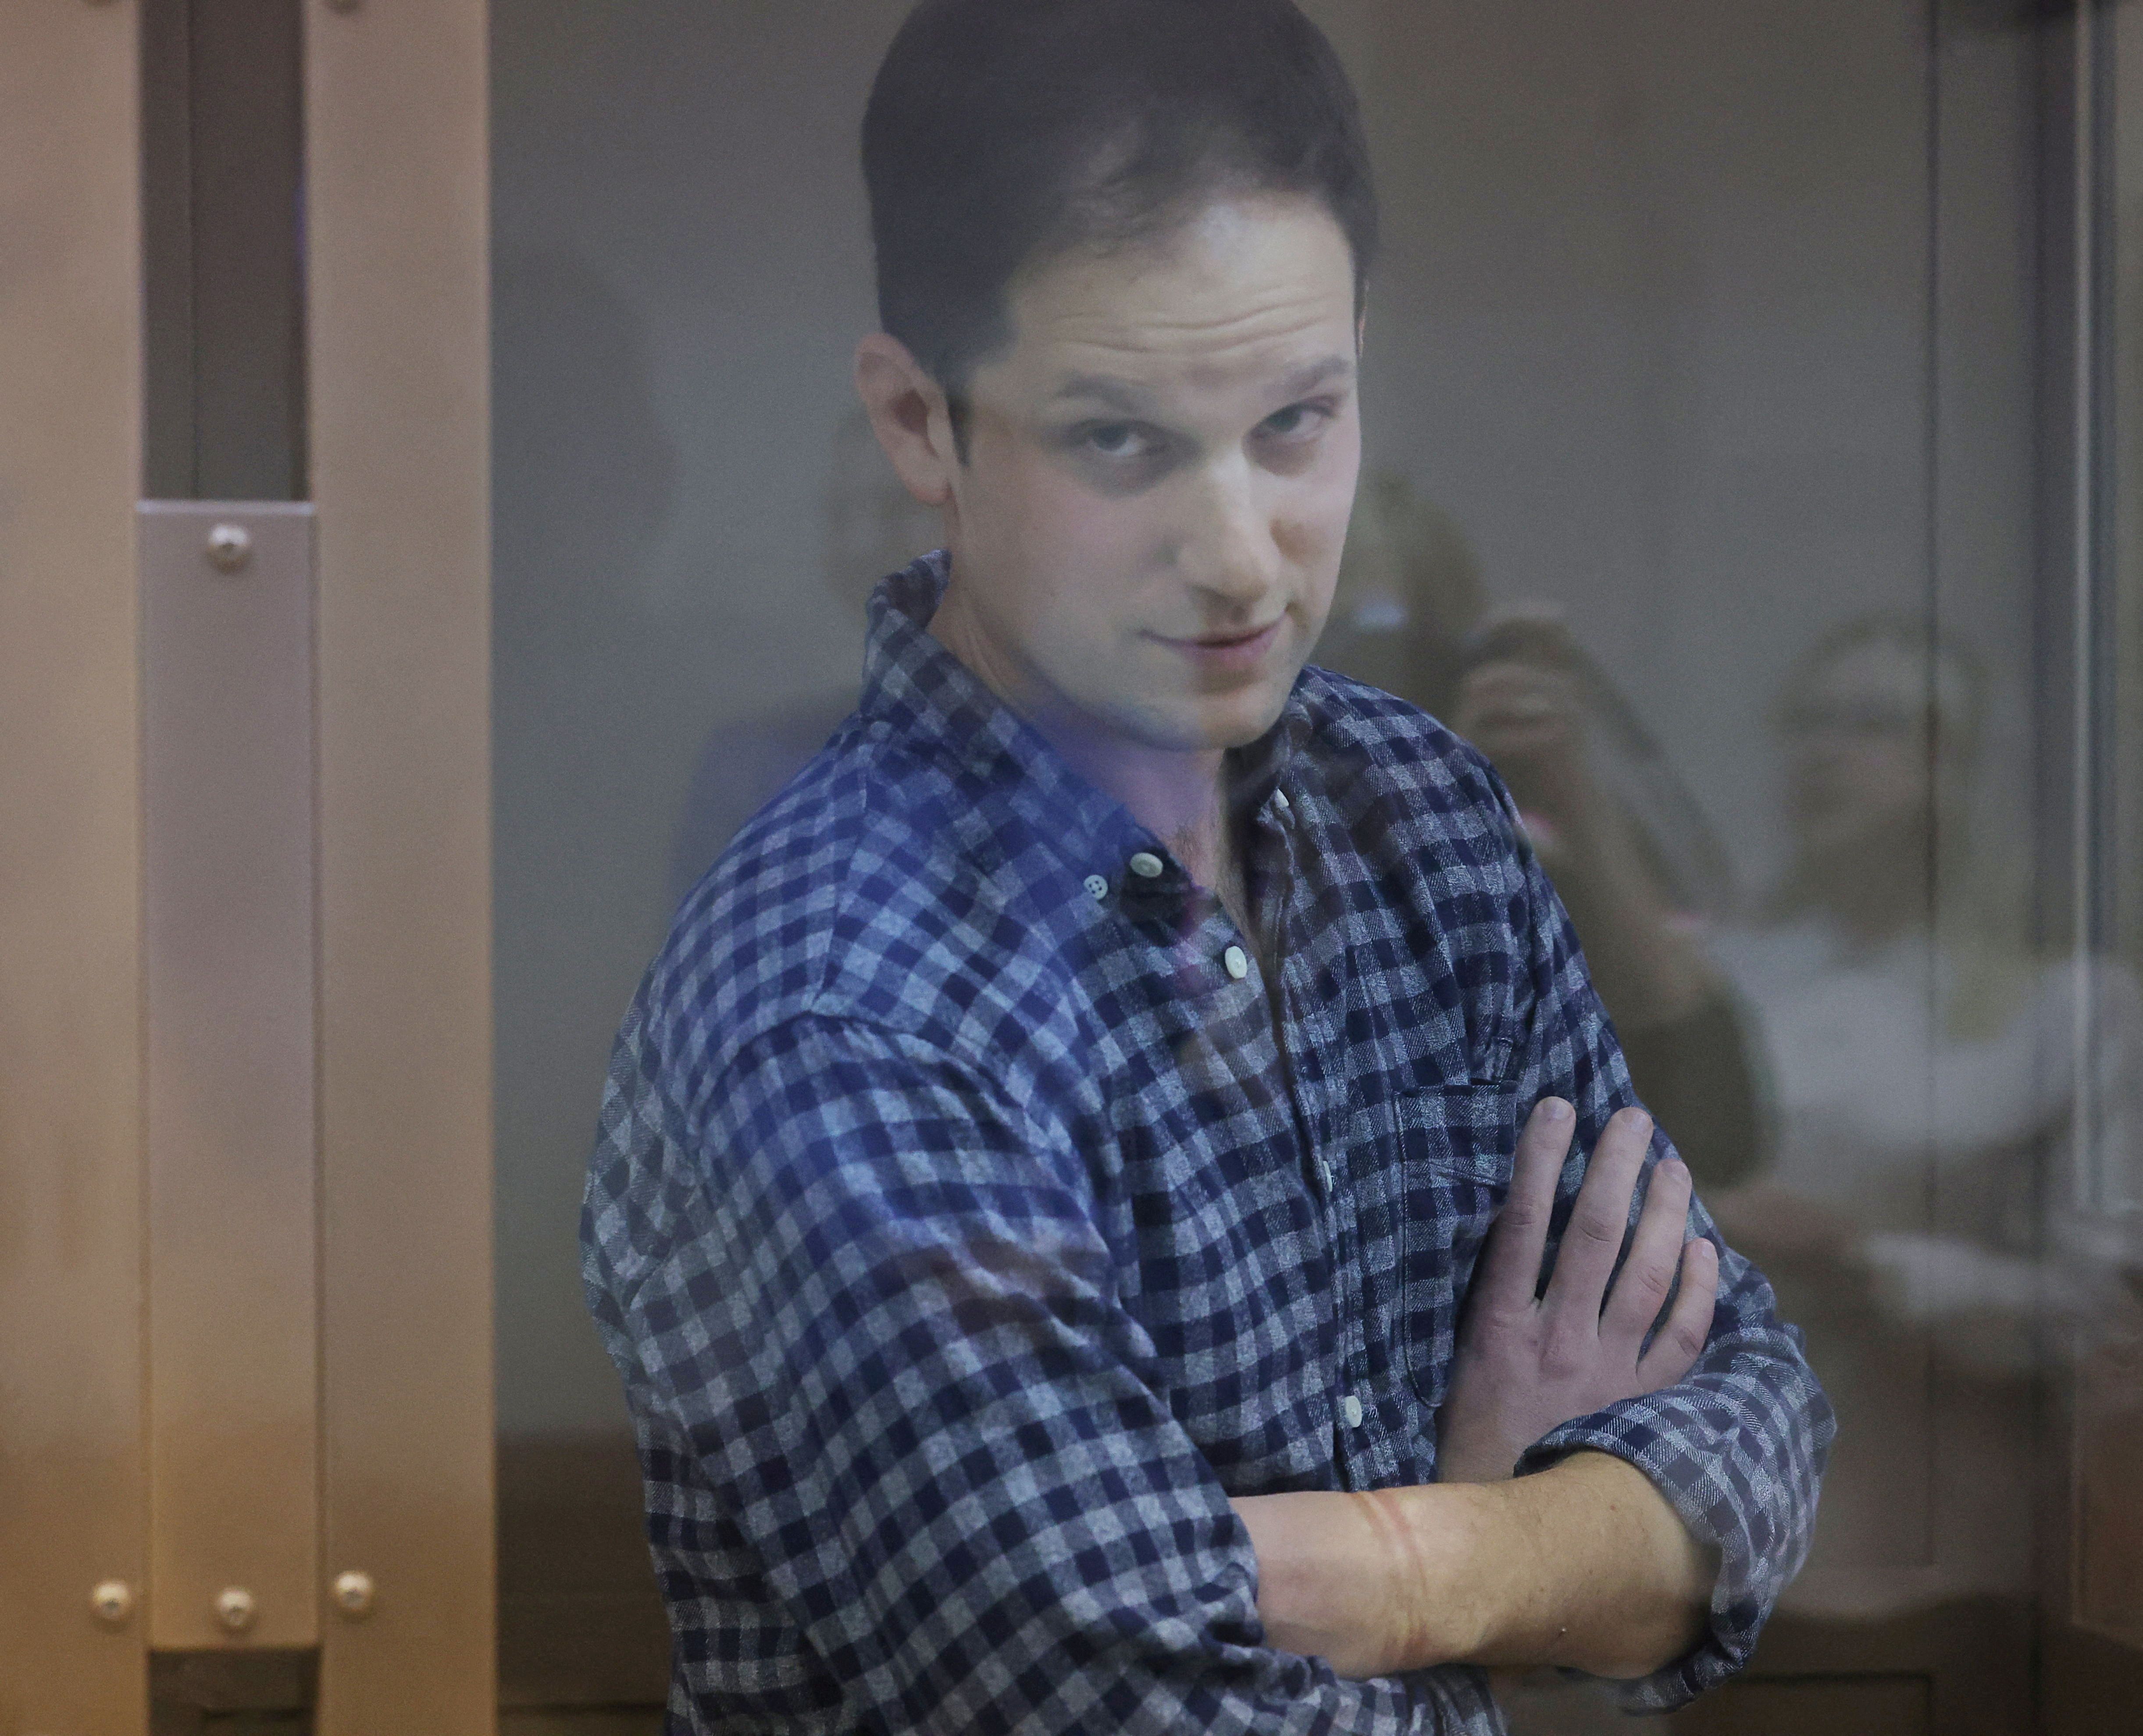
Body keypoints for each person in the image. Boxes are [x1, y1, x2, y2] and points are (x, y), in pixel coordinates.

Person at [581, 4, 1831, 1729]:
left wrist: (1425, 1561)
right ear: (920, 423)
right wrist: (1543, 1548)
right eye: (1121, 441)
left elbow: (1753, 1413)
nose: (1240, 553)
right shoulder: (840, 1016)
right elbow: (1149, 1708)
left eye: (1296, 421)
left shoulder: (1424, 818)